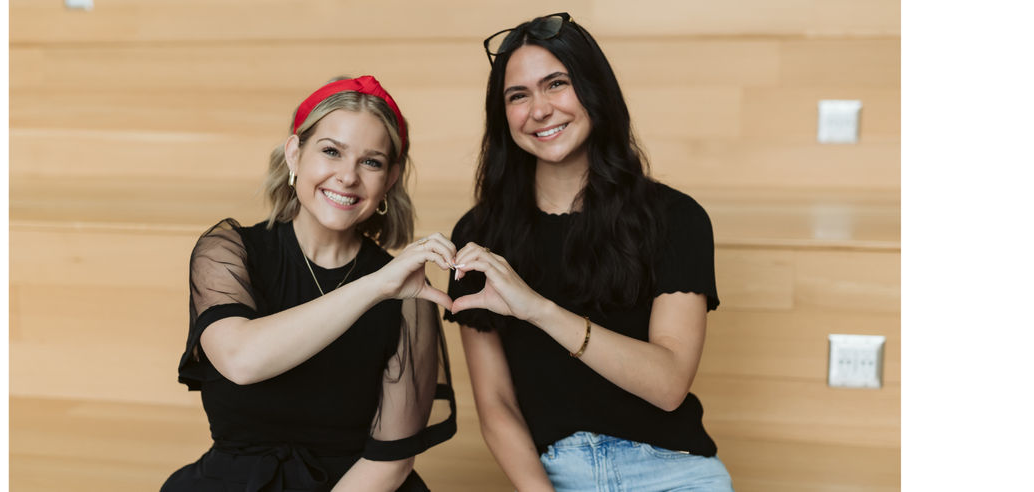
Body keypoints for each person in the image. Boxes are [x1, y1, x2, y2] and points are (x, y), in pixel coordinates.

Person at [444, 13, 734, 491]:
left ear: (593, 89)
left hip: (673, 472)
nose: (539, 109)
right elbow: (496, 403)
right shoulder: (479, 234)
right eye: (519, 95)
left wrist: (536, 308)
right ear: (504, 116)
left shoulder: (675, 218)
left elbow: (668, 385)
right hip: (552, 475)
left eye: (556, 84)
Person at [162, 75, 458, 492]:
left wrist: (387, 282)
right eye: (331, 152)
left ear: (390, 179)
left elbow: (391, 461)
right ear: (294, 155)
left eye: (370, 162)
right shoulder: (227, 250)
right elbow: (241, 360)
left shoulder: (409, 292)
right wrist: (376, 287)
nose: (348, 176)